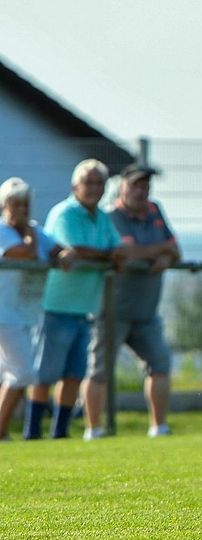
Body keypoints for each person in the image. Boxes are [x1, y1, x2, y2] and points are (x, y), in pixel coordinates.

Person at [24, 159, 125, 440]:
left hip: (85, 308)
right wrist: (106, 255)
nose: (94, 188)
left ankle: (60, 431)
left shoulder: (102, 217)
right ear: (74, 186)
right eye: (88, 182)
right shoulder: (65, 213)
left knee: (73, 375)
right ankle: (32, 432)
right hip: (55, 306)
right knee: (44, 374)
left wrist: (106, 253)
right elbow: (76, 249)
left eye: (99, 183)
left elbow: (118, 249)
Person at [82, 165, 180, 440]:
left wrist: (166, 256)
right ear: (122, 186)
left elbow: (176, 250)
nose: (142, 190)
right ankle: (93, 430)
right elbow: (128, 253)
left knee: (160, 364)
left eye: (145, 185)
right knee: (99, 370)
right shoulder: (112, 216)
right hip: (112, 310)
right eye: (136, 184)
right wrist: (161, 251)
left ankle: (159, 427)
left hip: (147, 311)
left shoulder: (155, 212)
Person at [0, 178, 64, 440]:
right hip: (4, 315)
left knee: (10, 372)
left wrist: (63, 256)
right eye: (16, 204)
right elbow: (26, 253)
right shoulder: (5, 231)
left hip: (25, 312)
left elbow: (58, 250)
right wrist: (29, 234)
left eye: (26, 204)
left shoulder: (36, 231)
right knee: (24, 371)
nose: (22, 210)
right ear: (4, 206)